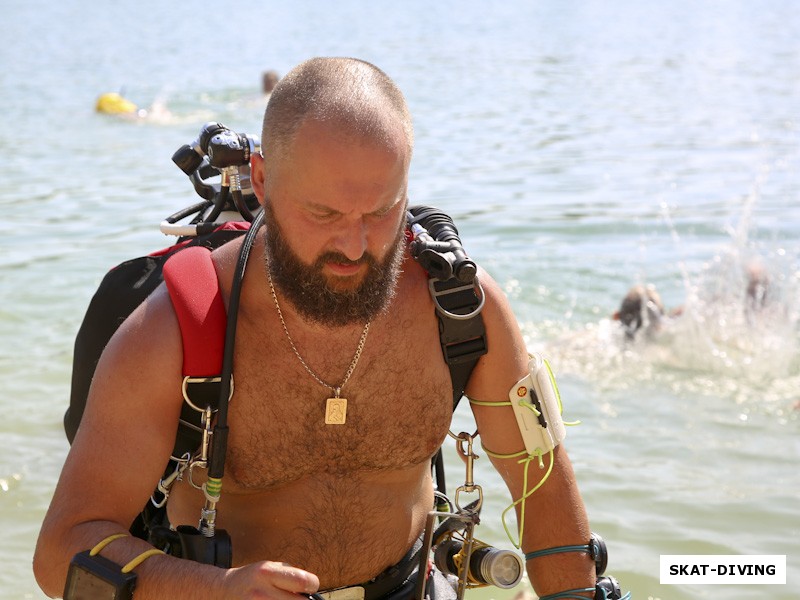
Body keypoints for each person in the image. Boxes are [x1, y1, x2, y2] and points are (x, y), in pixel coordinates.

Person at [35, 58, 597, 599]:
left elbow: (538, 483)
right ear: (262, 180)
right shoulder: (176, 329)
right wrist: (212, 590)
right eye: (324, 215)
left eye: (381, 212)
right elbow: (61, 551)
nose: (355, 247)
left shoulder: (460, 311)